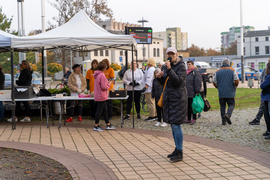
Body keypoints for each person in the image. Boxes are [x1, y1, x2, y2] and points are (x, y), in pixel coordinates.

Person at [156, 47, 187, 163]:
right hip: (170, 99)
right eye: (168, 54)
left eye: (172, 54)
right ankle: (177, 148)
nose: (170, 56)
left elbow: (178, 82)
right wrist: (159, 78)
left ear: (176, 55)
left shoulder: (181, 66)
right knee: (173, 125)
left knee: (176, 125)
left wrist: (169, 70)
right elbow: (164, 82)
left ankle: (180, 151)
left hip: (178, 99)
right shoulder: (167, 66)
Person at [213, 58, 239, 125]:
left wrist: (218, 87)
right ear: (229, 63)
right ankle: (228, 114)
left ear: (222, 63)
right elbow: (236, 80)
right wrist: (235, 86)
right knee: (231, 104)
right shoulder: (232, 70)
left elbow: (214, 81)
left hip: (221, 92)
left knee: (222, 106)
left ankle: (223, 120)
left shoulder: (217, 71)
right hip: (230, 91)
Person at [93, 61, 115, 131]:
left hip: (99, 95)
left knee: (105, 110)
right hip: (101, 95)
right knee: (99, 111)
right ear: (104, 68)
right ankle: (96, 125)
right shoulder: (102, 75)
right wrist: (109, 83)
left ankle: (108, 124)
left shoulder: (97, 74)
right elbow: (103, 87)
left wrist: (107, 83)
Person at [249, 57, 270, 125]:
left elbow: (263, 82)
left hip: (267, 93)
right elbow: (262, 79)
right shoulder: (265, 70)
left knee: (264, 107)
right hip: (265, 92)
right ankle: (258, 119)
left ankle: (258, 119)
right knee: (263, 106)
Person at [186, 60, 202, 125]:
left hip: (193, 92)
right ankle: (189, 118)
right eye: (187, 64)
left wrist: (197, 91)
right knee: (188, 106)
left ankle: (194, 118)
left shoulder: (195, 72)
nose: (188, 66)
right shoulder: (186, 72)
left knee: (194, 106)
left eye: (189, 64)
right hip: (187, 92)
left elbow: (198, 81)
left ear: (192, 65)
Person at [260, 62, 270, 139]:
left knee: (268, 115)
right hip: (266, 97)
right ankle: (268, 130)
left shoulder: (269, 76)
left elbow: (262, 85)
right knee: (266, 115)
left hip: (268, 97)